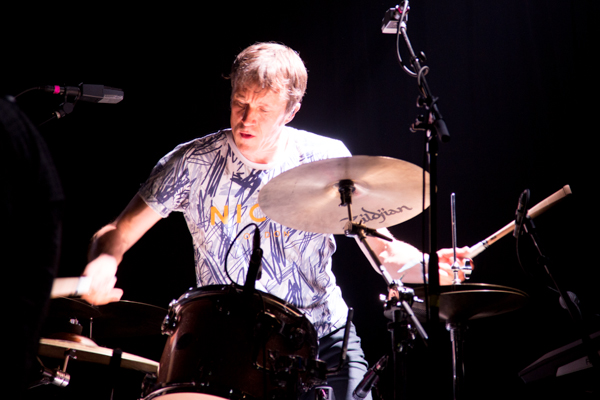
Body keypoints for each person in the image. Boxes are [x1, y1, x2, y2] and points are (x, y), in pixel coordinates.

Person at [81, 42, 470, 400]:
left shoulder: (325, 159)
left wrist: (428, 267)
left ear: (291, 111)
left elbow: (383, 250)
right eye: (239, 102)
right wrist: (103, 261)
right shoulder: (191, 163)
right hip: (229, 342)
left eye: (264, 109)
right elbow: (117, 232)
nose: (247, 119)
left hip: (320, 336)